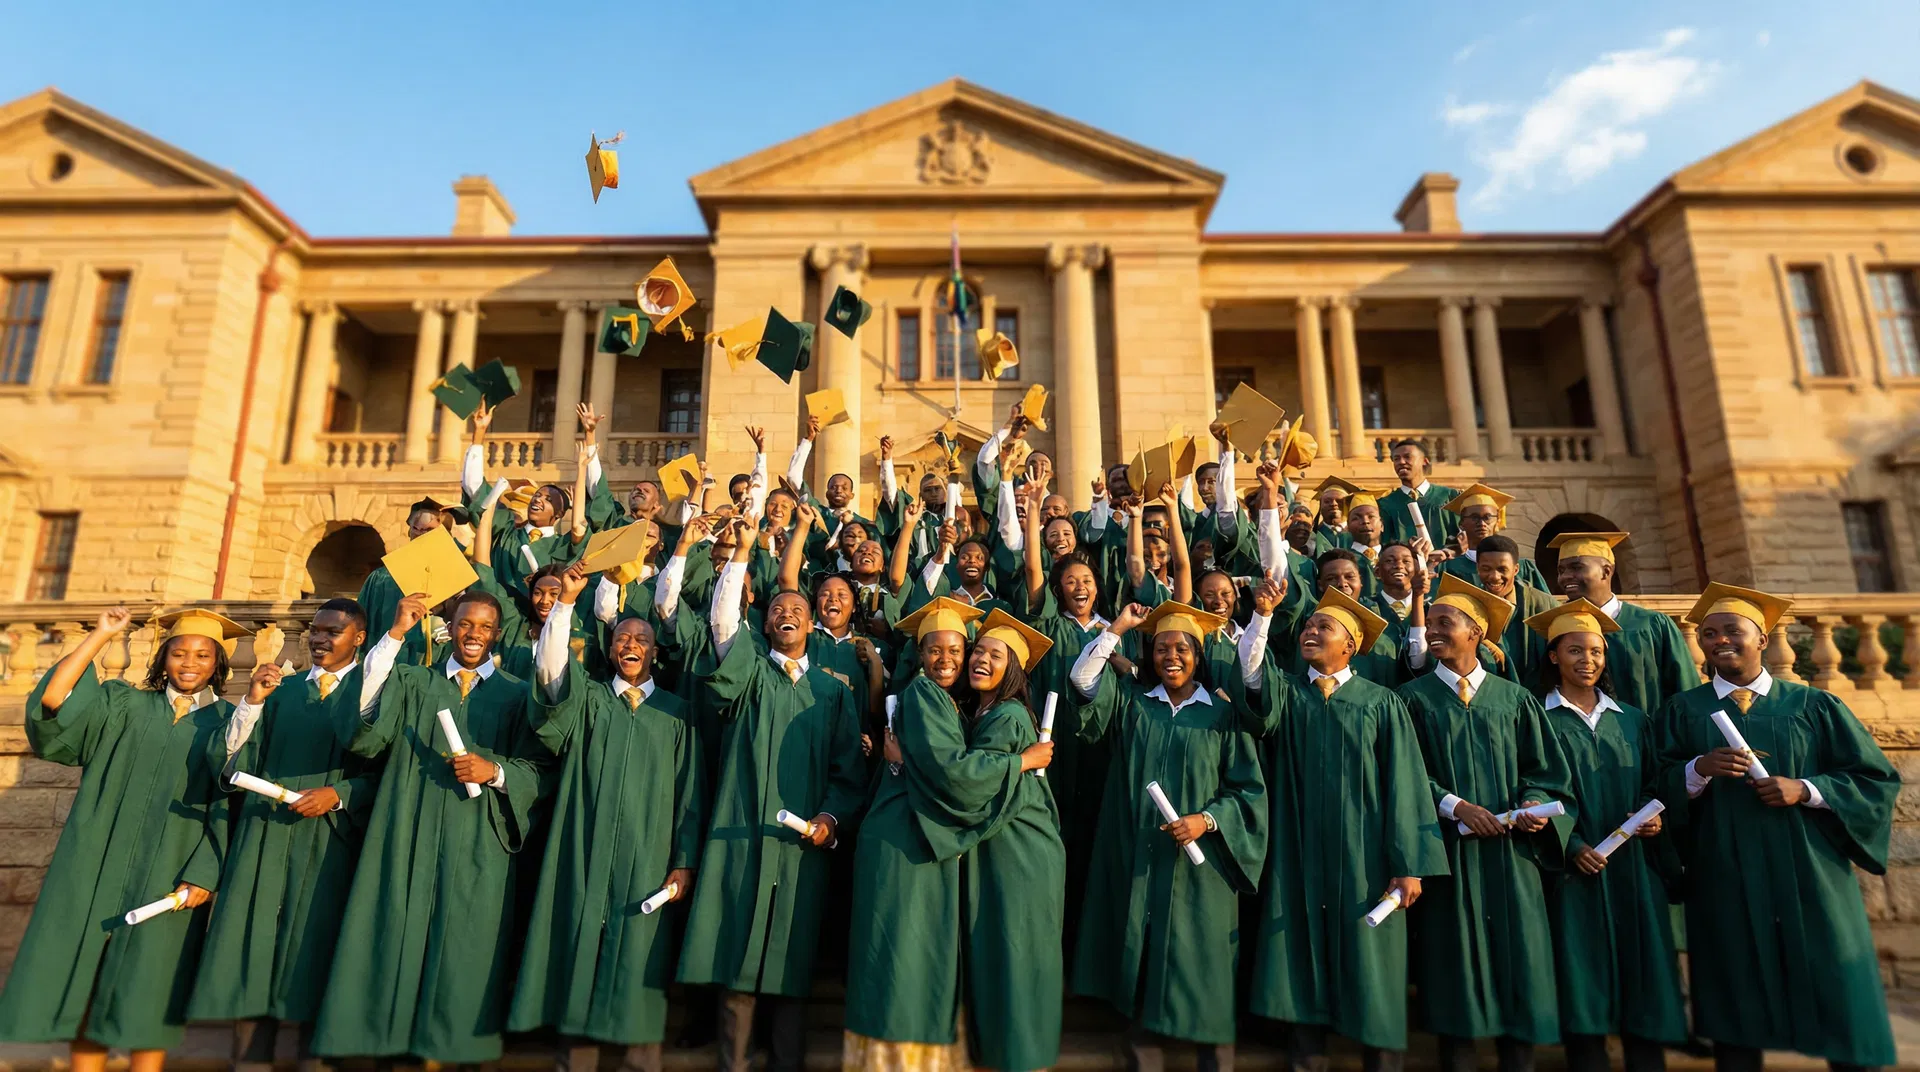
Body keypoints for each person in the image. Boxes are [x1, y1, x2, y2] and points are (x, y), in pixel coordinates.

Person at [1656, 583, 1898, 1071]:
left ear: (1762, 639)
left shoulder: (1813, 705)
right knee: (1734, 987)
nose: (1720, 640)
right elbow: (1654, 785)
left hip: (1810, 868)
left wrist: (1804, 790)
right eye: (1708, 633)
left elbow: (1874, 778)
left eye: (1733, 631)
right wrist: (1697, 769)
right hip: (1725, 867)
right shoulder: (1684, 710)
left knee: (1834, 981)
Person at [312, 588, 551, 1065]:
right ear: (450, 628)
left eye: (484, 627)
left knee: (466, 943)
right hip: (405, 829)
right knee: (393, 930)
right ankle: (384, 1044)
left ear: (497, 634)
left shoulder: (515, 694)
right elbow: (363, 727)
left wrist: (496, 772)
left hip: (478, 838)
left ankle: (451, 1050)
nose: (474, 635)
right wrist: (397, 632)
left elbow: (539, 769)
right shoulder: (411, 682)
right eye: (465, 624)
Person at [0, 607, 241, 1072]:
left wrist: (205, 873)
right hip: (93, 862)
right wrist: (102, 634)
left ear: (217, 664)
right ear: (162, 658)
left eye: (202, 655)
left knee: (149, 987)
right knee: (85, 979)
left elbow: (230, 808)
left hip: (172, 871)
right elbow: (53, 701)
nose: (189, 663)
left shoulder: (234, 722)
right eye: (178, 652)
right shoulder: (122, 704)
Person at [677, 510, 868, 1072]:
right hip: (741, 836)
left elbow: (846, 774)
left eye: (798, 611)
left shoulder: (832, 693)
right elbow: (721, 627)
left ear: (813, 626)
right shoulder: (750, 672)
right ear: (765, 625)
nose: (787, 614)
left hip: (800, 846)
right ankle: (733, 1063)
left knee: (790, 953)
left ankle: (787, 1061)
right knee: (736, 950)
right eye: (778, 609)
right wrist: (738, 557)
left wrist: (830, 821)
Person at [1241, 584, 1447, 1072]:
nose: (1311, 631)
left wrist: (1409, 864)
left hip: (1367, 855)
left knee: (1372, 964)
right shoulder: (1288, 693)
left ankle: (1382, 1058)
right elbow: (1251, 677)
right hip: (1300, 849)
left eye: (1323, 627)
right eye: (1309, 626)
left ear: (1350, 645)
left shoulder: (1381, 702)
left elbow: (1407, 785)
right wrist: (1263, 618)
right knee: (1298, 956)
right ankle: (1306, 1057)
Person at [510, 565, 706, 1072]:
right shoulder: (590, 700)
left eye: (642, 638)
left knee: (641, 962)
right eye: (622, 638)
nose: (632, 644)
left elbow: (690, 796)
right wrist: (566, 606)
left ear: (655, 652)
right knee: (579, 956)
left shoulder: (677, 714)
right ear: (611, 649)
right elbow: (552, 676)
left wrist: (684, 861)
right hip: (583, 846)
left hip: (650, 856)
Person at [1068, 601, 1267, 1072]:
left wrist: (1207, 819)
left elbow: (1248, 791)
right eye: (1160, 648)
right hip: (1140, 855)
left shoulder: (1223, 716)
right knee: (1142, 957)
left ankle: (1215, 1058)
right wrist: (1116, 629)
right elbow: (1082, 683)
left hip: (1204, 865)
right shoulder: (1134, 706)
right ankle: (1145, 1054)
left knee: (1205, 959)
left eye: (1181, 647)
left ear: (1199, 654)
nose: (1170, 656)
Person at [190, 600, 381, 1072]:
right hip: (267, 835)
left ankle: (316, 1061)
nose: (318, 638)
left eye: (332, 631)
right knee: (257, 944)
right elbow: (232, 760)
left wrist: (338, 793)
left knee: (320, 946)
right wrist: (252, 701)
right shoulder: (282, 692)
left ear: (359, 637)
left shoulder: (375, 692)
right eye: (314, 631)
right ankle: (251, 1061)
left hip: (333, 839)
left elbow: (391, 772)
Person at [1399, 578, 1570, 1072]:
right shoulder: (1410, 699)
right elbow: (1404, 776)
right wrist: (1456, 807)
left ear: (1476, 632)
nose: (1432, 630)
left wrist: (1535, 806)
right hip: (1448, 854)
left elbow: (1546, 773)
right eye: (1429, 622)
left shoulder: (1514, 699)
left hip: (1513, 857)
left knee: (1521, 962)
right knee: (1456, 968)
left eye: (1443, 623)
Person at [1525, 599, 1685, 1072]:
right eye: (1575, 651)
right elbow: (1533, 785)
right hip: (1574, 869)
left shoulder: (1633, 719)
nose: (1587, 661)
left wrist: (1655, 817)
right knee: (1582, 971)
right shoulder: (1537, 716)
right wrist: (1570, 845)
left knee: (1646, 967)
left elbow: (1657, 782)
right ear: (1553, 656)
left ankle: (1646, 1057)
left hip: (1634, 865)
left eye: (1596, 651)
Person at [960, 610, 1068, 1072]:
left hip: (1021, 857)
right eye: (979, 650)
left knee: (1017, 956)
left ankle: (1023, 1059)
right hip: (1000, 851)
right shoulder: (983, 712)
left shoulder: (1008, 718)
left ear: (1014, 670)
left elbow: (973, 785)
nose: (981, 659)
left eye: (995, 655)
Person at [1549, 532, 1700, 717]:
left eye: (1576, 567)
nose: (1565, 577)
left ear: (1606, 571)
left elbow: (1685, 691)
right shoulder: (1554, 627)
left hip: (1651, 740)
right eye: (1561, 570)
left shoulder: (1651, 625)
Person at [356, 498, 457, 659]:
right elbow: (359, 623)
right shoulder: (382, 577)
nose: (421, 534)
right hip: (390, 662)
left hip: (439, 664)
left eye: (429, 530)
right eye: (416, 528)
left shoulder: (458, 573)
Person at [1473, 535, 1556, 689]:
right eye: (1486, 569)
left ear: (1516, 569)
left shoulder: (1544, 605)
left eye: (1502, 569)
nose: (1494, 577)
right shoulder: (1469, 604)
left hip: (1537, 695)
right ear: (1477, 567)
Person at [1438, 483, 1550, 593]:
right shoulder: (1450, 567)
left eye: (1487, 517)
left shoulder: (1524, 568)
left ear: (1497, 520)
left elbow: (1547, 605)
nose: (1482, 523)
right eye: (1474, 517)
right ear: (1461, 523)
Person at [1377, 439, 1458, 548]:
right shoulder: (1385, 504)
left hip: (1446, 563)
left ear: (1424, 461)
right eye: (1396, 459)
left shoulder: (1449, 497)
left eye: (1407, 457)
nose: (1401, 462)